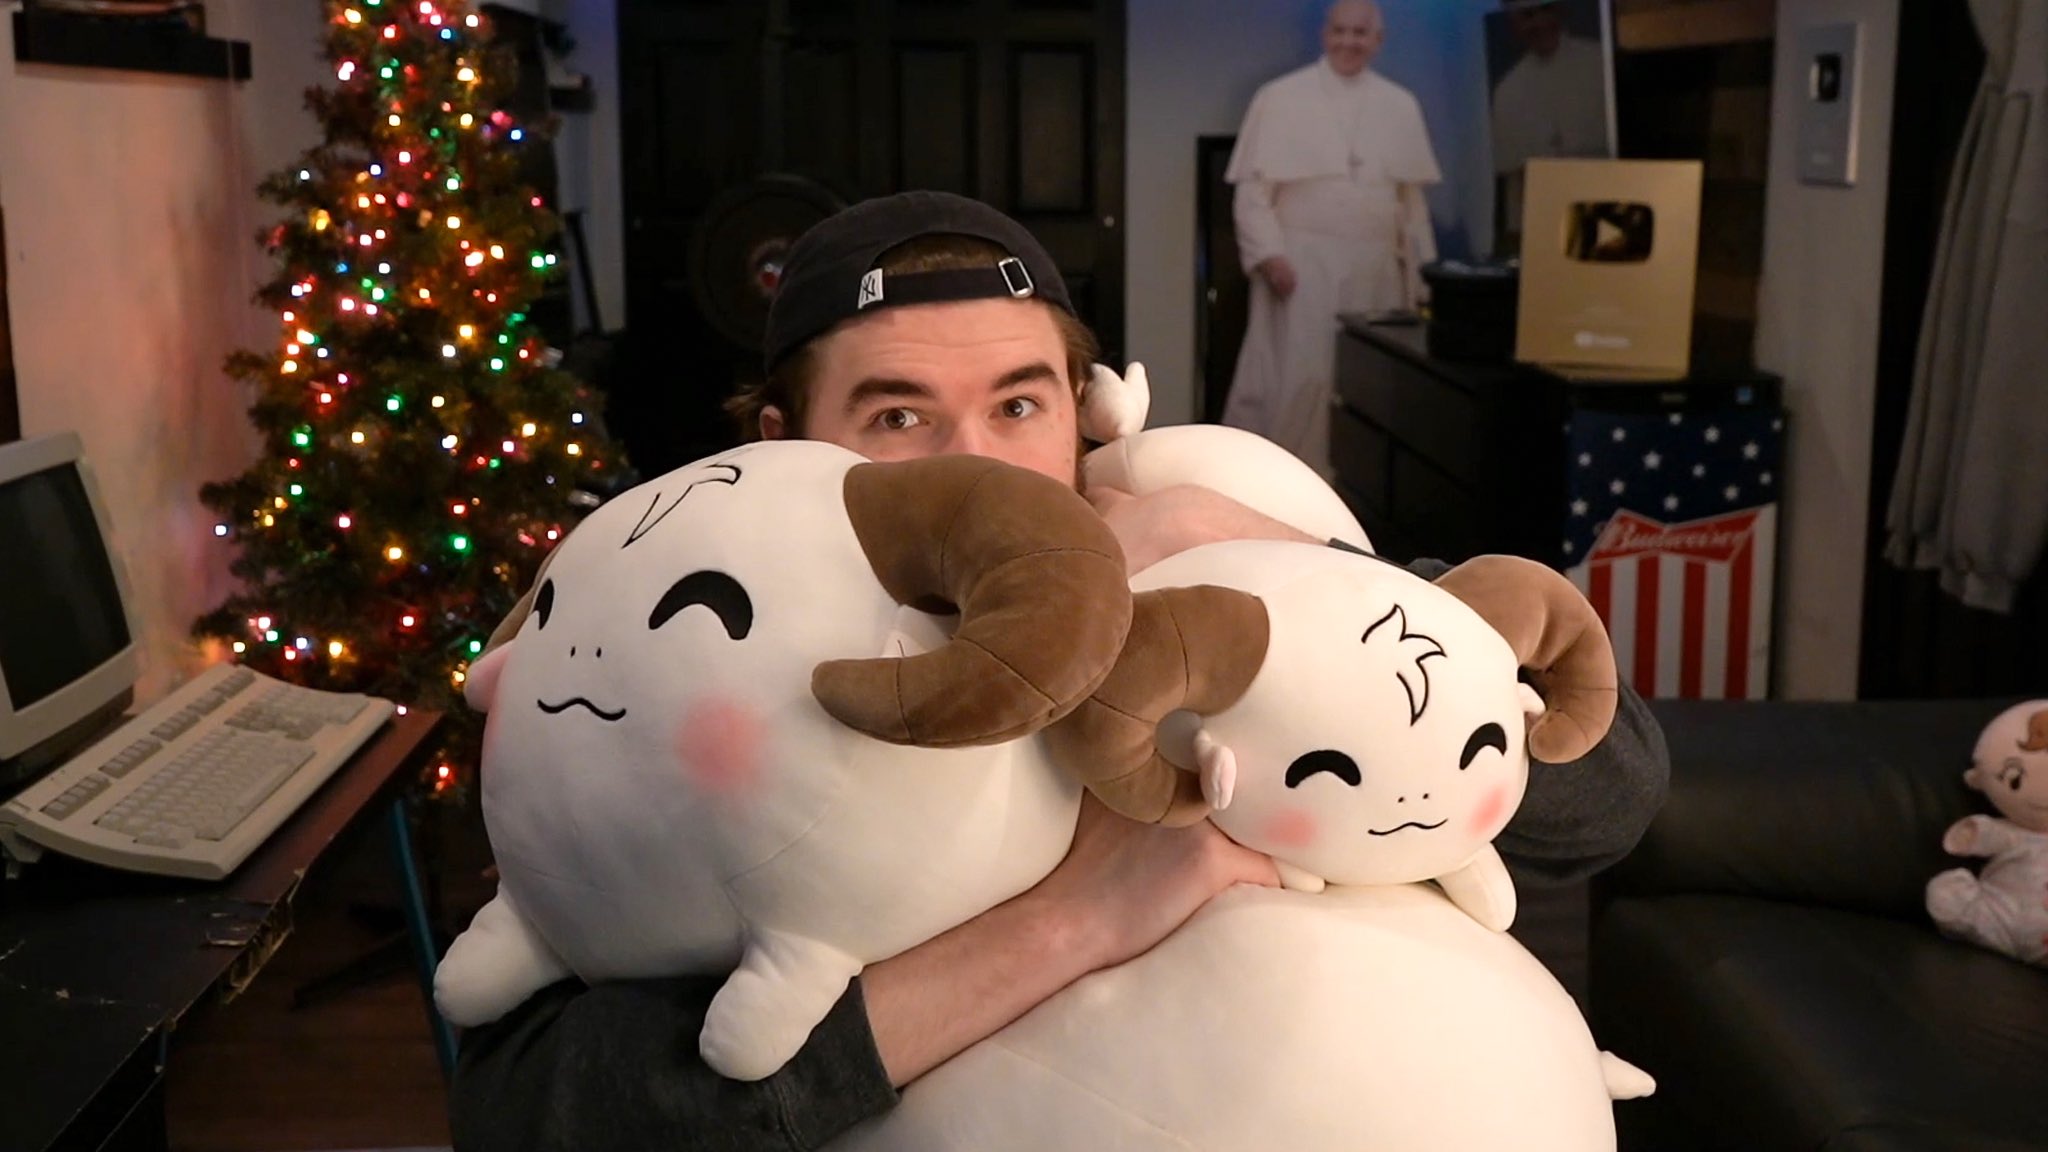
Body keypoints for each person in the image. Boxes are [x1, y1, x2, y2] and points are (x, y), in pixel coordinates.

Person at [448, 190, 1669, 1152]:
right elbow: (530, 1110)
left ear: (1085, 415)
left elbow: (1606, 796)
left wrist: (1285, 558)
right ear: (783, 442)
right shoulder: (690, 648)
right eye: (895, 417)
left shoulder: (1219, 558)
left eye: (1019, 407)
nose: (978, 463)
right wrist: (1069, 921)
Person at [1220, 0, 1442, 478]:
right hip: (1304, 264)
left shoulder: (1400, 104)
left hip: (1377, 269)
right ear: (1325, 34)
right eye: (1340, 31)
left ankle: (1359, 488)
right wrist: (1270, 255)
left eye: (1360, 33)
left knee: (1370, 378)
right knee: (1303, 376)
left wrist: (1424, 276)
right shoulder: (1280, 97)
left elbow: (1411, 206)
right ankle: (1289, 486)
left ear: (1377, 41)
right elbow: (1253, 195)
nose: (1348, 42)